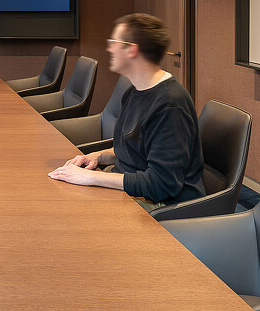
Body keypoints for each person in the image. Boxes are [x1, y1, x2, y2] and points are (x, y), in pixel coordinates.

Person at [48, 13, 204, 210]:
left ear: (132, 50)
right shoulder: (134, 91)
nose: (109, 48)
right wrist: (98, 156)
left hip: (163, 206)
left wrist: (92, 177)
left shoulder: (170, 105)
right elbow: (134, 151)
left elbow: (161, 184)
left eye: (114, 42)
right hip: (134, 192)